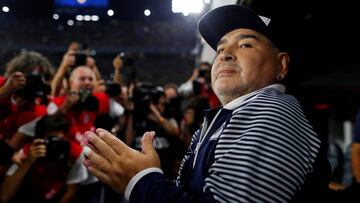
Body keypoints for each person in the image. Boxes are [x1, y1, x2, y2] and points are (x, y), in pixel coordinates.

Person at [82, 5, 330, 202]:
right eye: (220, 49)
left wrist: (142, 181)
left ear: (281, 65)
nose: (225, 54)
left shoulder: (274, 111)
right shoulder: (227, 116)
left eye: (245, 44)